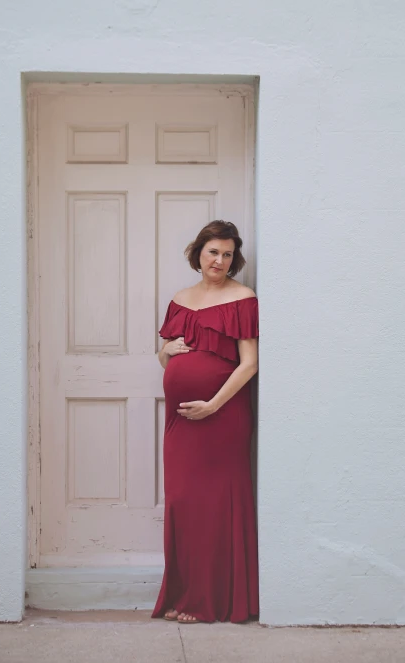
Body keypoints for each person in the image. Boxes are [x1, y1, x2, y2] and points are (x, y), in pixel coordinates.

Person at [152, 220, 259, 624]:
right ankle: (183, 593)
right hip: (181, 422)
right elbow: (165, 357)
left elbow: (249, 364)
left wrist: (213, 405)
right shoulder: (180, 299)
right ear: (198, 253)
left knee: (214, 507)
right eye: (214, 251)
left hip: (223, 417)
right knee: (183, 504)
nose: (220, 260)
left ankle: (207, 601)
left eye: (228, 254)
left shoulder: (243, 298)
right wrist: (169, 351)